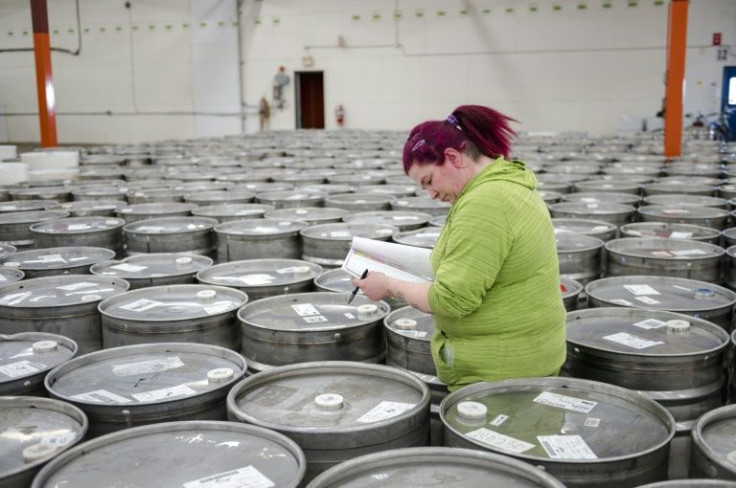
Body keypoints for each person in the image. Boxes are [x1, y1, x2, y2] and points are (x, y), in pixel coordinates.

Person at [352, 105, 566, 391]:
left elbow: (451, 300)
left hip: (502, 376)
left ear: (453, 158)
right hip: (522, 359)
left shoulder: (486, 203)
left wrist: (387, 285)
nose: (432, 194)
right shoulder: (502, 185)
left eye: (429, 180)